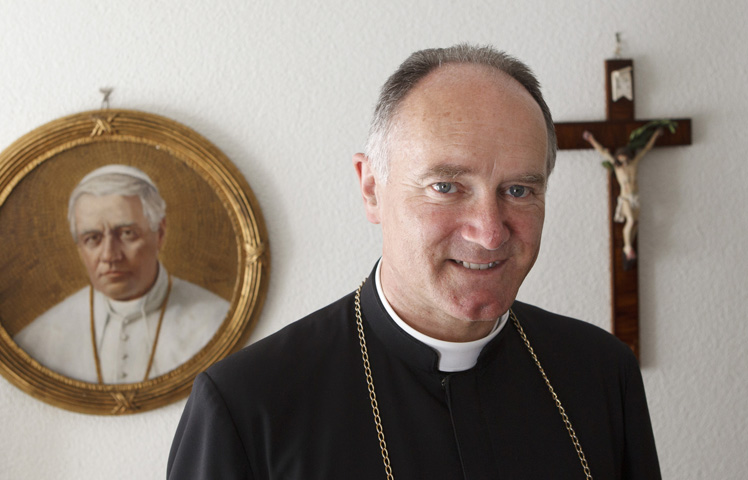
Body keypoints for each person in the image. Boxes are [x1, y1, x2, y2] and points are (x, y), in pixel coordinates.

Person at [168, 44, 661, 479]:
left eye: (519, 190)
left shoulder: (600, 373)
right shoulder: (245, 405)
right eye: (445, 187)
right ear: (371, 189)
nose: (489, 232)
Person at [14, 165, 229, 384]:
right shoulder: (41, 338)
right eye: (92, 238)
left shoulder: (215, 321)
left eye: (127, 234)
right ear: (79, 246)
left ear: (160, 233)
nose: (109, 255)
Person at [583, 126, 665, 269]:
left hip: (636, 198)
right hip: (626, 198)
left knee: (636, 224)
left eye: (625, 156)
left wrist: (655, 136)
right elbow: (602, 151)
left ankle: (629, 248)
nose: (623, 159)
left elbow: (646, 149)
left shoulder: (634, 164)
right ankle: (627, 248)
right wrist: (591, 139)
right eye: (621, 157)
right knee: (631, 220)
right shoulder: (618, 168)